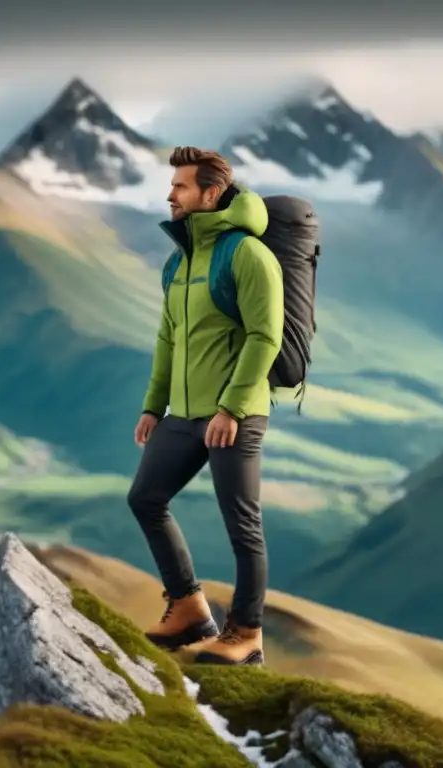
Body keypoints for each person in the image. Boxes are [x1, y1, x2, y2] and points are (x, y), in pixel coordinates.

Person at [126, 146, 284, 666]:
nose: (170, 194)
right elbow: (168, 338)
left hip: (234, 416)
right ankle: (189, 609)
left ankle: (246, 634)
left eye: (181, 186)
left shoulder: (247, 255)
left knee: (242, 524)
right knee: (146, 498)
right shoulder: (179, 261)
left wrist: (233, 409)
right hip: (185, 415)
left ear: (210, 193)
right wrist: (154, 406)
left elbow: (266, 337)